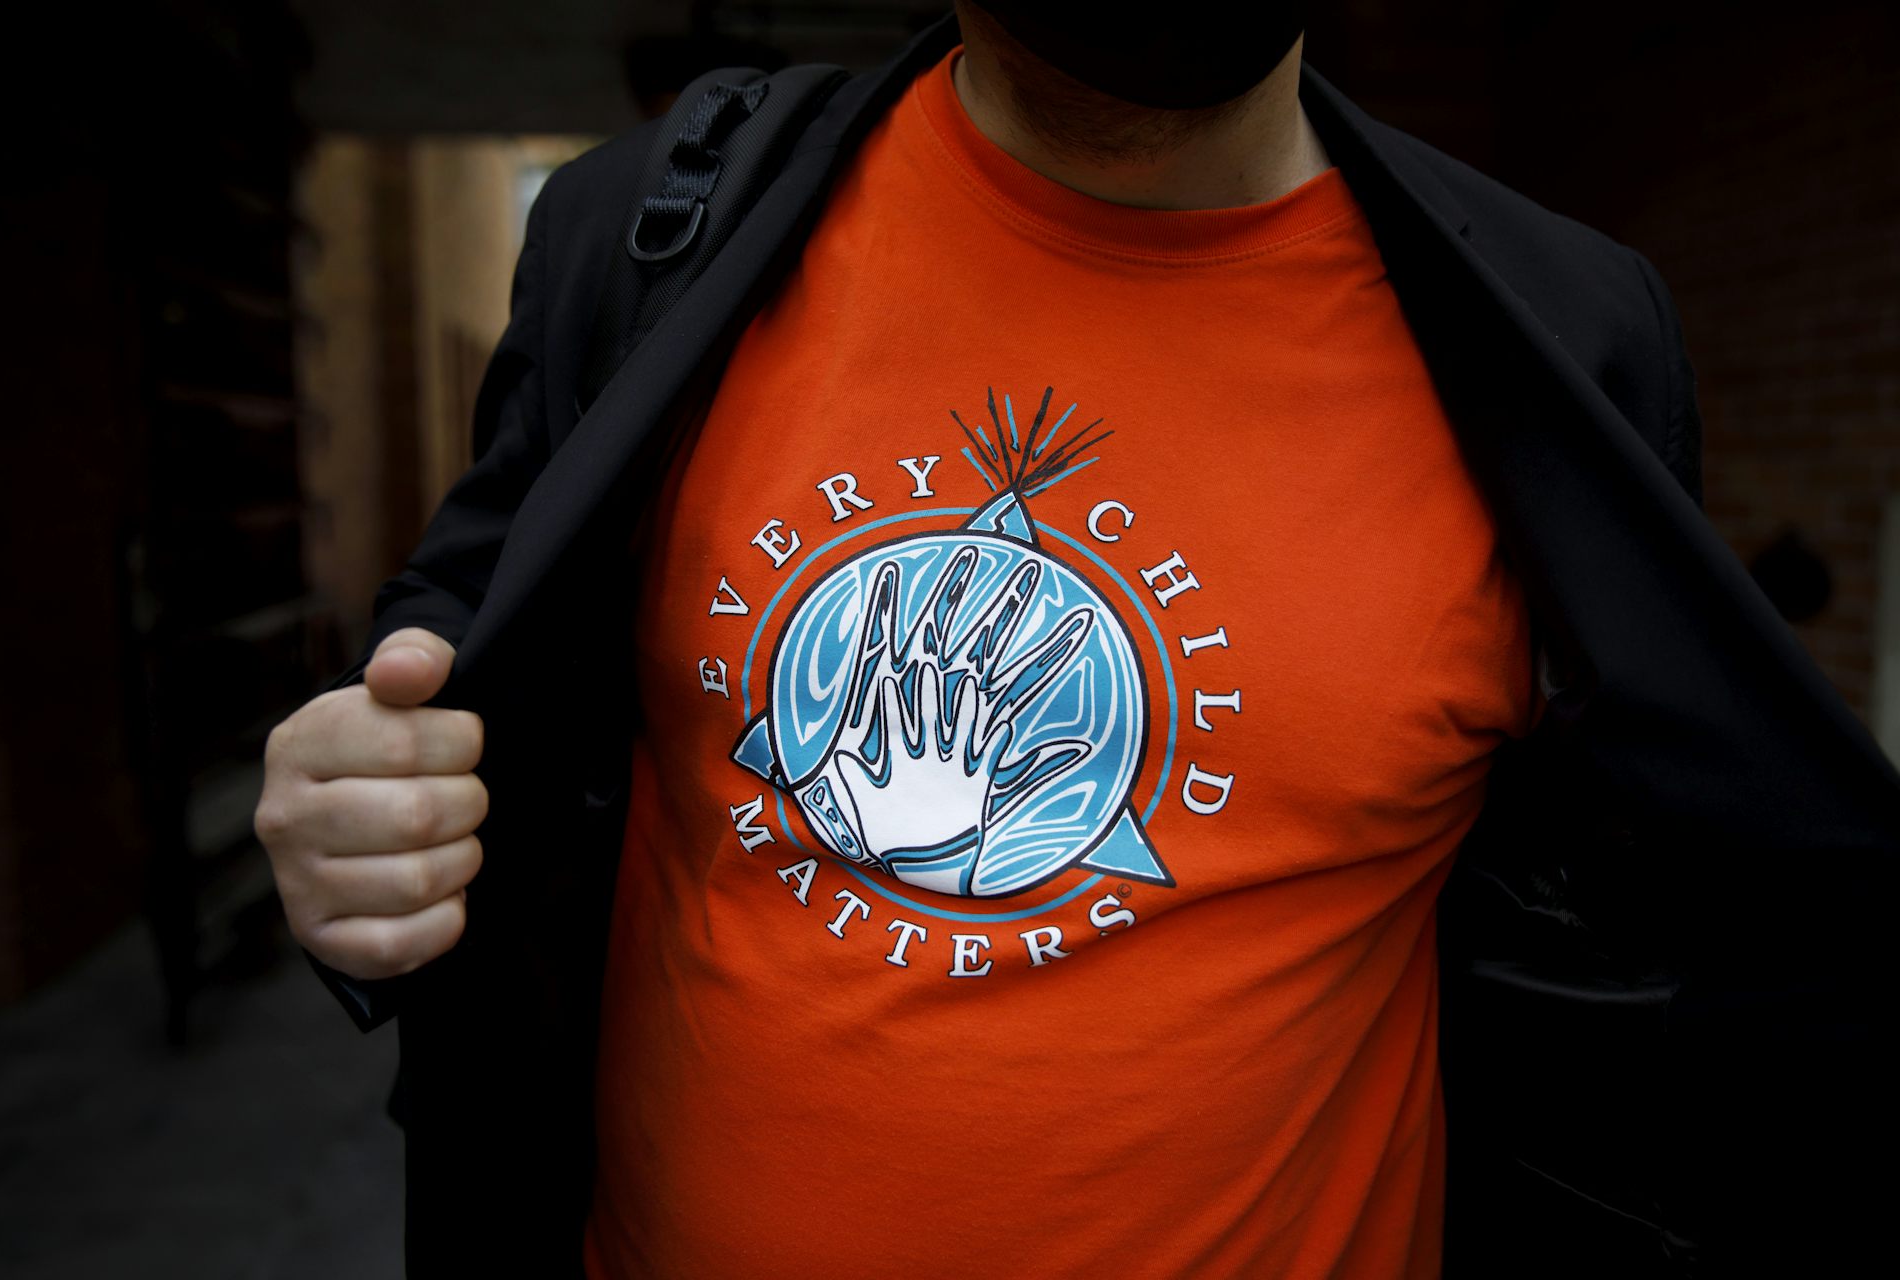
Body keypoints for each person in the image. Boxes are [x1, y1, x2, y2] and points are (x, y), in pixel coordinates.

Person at [253, 4, 1897, 1277]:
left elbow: (1655, 939)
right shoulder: (651, 241)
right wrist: (360, 811)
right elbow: (460, 643)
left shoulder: (1564, 344)